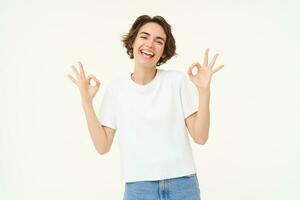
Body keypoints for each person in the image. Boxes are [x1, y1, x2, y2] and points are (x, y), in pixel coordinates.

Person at [67, 15, 224, 200]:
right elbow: (102, 146)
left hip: (182, 185)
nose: (150, 44)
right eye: (144, 37)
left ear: (164, 52)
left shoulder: (176, 81)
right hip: (139, 189)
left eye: (159, 41)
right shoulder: (116, 90)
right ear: (133, 42)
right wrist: (86, 102)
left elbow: (201, 137)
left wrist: (204, 91)